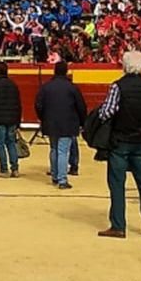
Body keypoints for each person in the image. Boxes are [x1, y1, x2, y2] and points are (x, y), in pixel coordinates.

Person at [98, 51, 141, 239]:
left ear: (124, 66)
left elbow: (106, 113)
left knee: (117, 184)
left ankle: (118, 226)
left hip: (120, 142)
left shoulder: (118, 87)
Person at [35, 60, 86, 190]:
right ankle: (62, 179)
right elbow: (81, 107)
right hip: (68, 123)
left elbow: (38, 105)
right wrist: (82, 122)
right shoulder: (72, 87)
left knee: (54, 149)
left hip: (51, 123)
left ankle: (55, 176)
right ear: (66, 72)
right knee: (63, 151)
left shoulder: (46, 87)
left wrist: (43, 118)